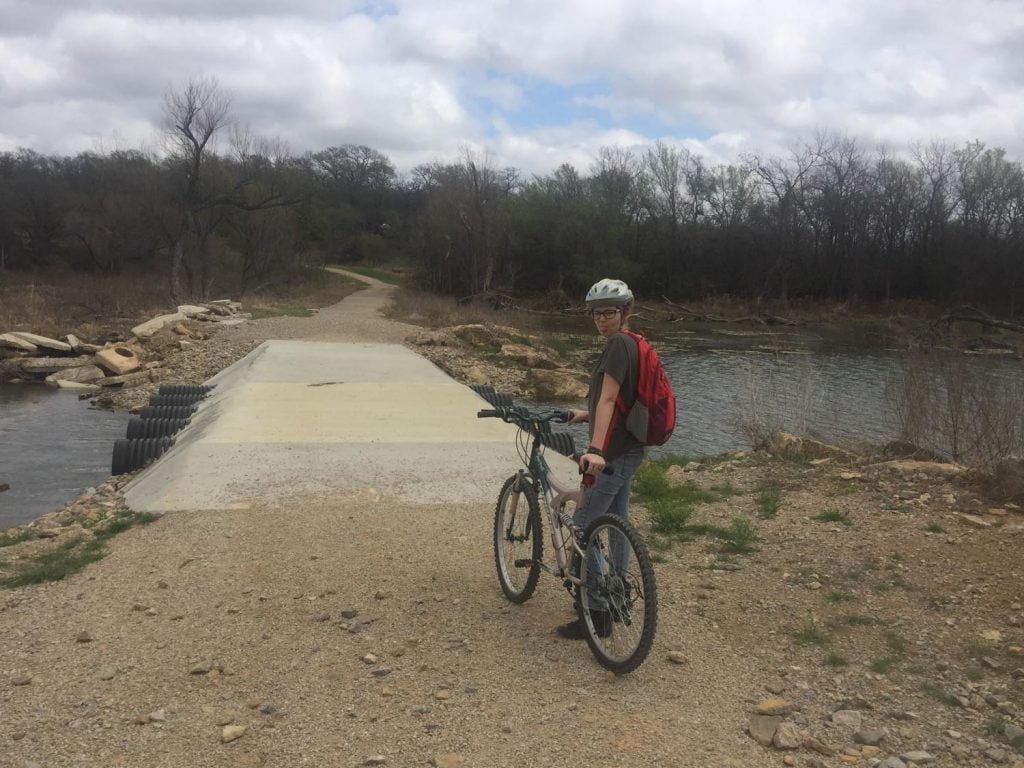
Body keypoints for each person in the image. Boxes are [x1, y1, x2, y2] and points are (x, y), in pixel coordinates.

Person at [556, 278, 645, 640]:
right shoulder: (635, 343)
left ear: (626, 311)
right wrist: (586, 414)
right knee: (617, 519)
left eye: (610, 312)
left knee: (582, 526)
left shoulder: (616, 346)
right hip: (631, 448)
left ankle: (598, 610)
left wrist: (594, 450)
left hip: (612, 454)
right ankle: (619, 589)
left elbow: (609, 399)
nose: (602, 319)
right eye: (596, 313)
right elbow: (619, 402)